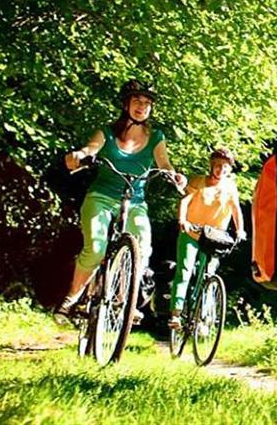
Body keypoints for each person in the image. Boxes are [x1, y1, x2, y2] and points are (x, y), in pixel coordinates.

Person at [54, 79, 187, 320]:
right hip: (101, 197)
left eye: (147, 103)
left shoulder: (156, 137)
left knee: (142, 248)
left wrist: (175, 176)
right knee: (95, 248)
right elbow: (90, 149)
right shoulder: (107, 132)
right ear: (126, 104)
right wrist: (79, 156)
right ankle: (71, 298)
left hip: (135, 202)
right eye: (137, 101)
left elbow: (164, 164)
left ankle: (123, 299)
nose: (142, 107)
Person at [169, 147, 246, 330]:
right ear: (211, 166)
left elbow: (236, 210)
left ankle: (204, 316)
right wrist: (183, 220)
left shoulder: (230, 187)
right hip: (191, 232)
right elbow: (185, 201)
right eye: (218, 165)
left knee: (209, 274)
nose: (221, 170)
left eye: (225, 167)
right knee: (185, 270)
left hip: (214, 237)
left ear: (230, 170)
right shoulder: (199, 182)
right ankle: (176, 314)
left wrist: (240, 230)